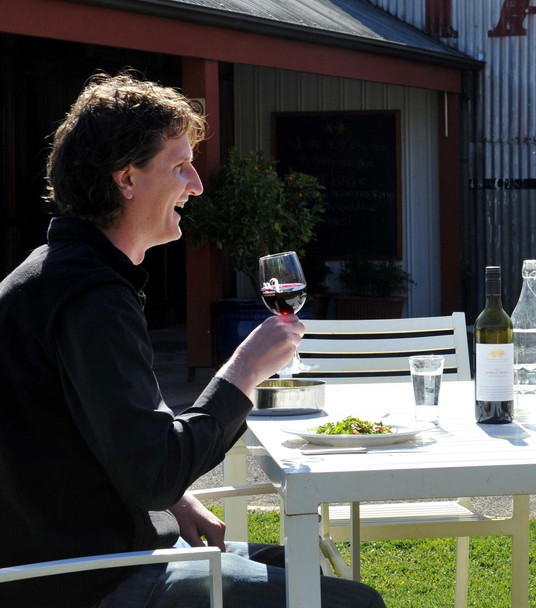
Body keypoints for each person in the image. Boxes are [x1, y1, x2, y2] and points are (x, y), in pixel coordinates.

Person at [0, 72, 385, 608]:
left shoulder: (57, 276)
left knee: (304, 559)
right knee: (353, 604)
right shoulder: (91, 296)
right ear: (126, 180)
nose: (197, 184)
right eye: (179, 166)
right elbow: (152, 471)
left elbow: (100, 441)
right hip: (91, 580)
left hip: (83, 558)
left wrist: (177, 503)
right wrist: (244, 370)